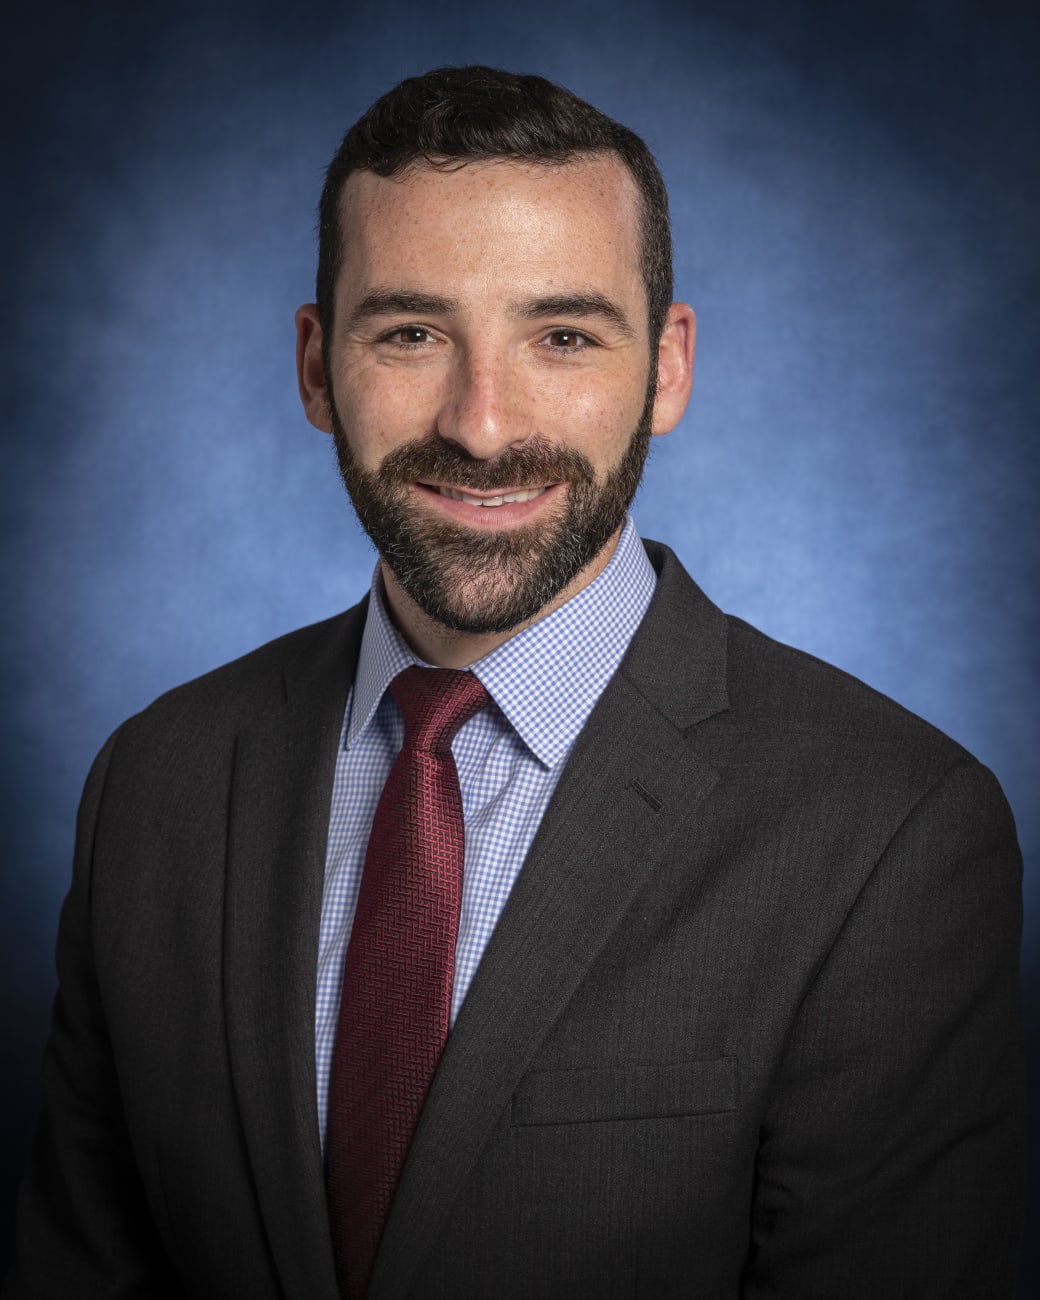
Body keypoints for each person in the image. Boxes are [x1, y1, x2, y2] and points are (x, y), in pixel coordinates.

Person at [5, 66, 1025, 1300]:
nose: (482, 425)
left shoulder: (890, 832)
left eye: (561, 336)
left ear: (666, 367)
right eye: (411, 333)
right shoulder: (154, 783)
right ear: (318, 367)